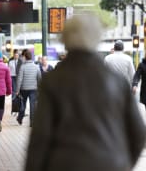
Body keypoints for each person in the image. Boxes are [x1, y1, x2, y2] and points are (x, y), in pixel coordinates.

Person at [25, 15, 146, 171]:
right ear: (96, 38)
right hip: (110, 163)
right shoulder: (116, 81)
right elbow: (138, 133)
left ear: (65, 39)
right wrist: (123, 162)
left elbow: (40, 138)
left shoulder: (53, 81)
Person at [16, 50, 41, 127]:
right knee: (32, 106)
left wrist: (17, 90)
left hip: (24, 89)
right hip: (34, 89)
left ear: (25, 57)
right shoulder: (36, 67)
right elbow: (39, 78)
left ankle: (20, 118)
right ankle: (32, 122)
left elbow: (19, 79)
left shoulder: (22, 67)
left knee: (22, 105)